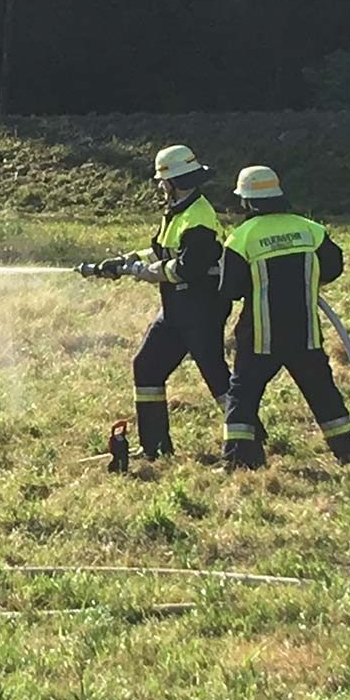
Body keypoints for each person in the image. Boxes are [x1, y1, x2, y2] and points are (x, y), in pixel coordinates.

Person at [87, 145, 232, 463]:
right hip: (177, 309)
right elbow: (160, 251)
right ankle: (154, 447)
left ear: (173, 182)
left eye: (161, 181)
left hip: (201, 308)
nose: (158, 186)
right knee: (147, 366)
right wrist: (126, 261)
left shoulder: (199, 218)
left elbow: (187, 267)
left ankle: (247, 442)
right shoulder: (178, 211)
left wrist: (146, 273)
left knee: (215, 374)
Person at [217, 166, 350, 470]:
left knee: (243, 394)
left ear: (247, 201)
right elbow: (333, 267)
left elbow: (229, 289)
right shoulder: (310, 229)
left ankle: (238, 460)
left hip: (261, 336)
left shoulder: (242, 238)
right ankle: (347, 453)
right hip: (304, 332)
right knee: (322, 391)